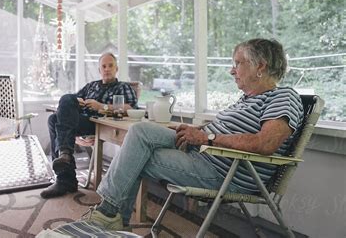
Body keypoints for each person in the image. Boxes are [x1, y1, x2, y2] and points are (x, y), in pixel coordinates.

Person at [82, 38, 304, 230]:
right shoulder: (247, 99)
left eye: (238, 63)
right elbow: (223, 132)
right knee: (139, 131)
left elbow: (265, 144)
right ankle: (112, 214)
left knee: (137, 155)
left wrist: (207, 138)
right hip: (203, 152)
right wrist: (197, 131)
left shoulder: (284, 97)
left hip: (223, 172)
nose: (231, 70)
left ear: (260, 66)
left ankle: (110, 214)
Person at [41, 52, 138, 199]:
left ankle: (64, 170)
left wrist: (101, 106)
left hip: (98, 123)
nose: (107, 69)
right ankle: (65, 168)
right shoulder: (91, 86)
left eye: (110, 65)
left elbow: (131, 108)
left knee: (56, 119)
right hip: (80, 119)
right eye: (103, 66)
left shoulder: (123, 87)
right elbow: (74, 100)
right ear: (99, 70)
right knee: (55, 116)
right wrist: (79, 102)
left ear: (116, 68)